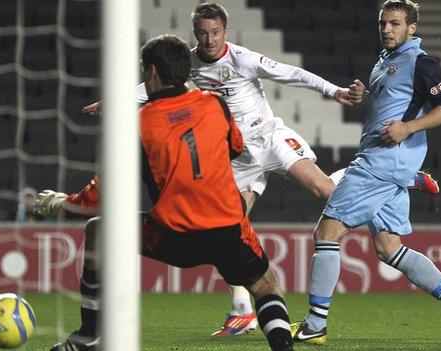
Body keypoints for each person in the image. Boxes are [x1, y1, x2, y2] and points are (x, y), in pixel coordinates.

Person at [81, 2, 440, 336]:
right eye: (203, 32)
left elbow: (289, 74)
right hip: (236, 157)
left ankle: (402, 178)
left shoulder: (243, 59)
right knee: (229, 228)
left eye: (215, 32)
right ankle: (242, 311)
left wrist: (333, 91)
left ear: (225, 31)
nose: (209, 39)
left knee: (327, 193)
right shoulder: (187, 65)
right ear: (195, 32)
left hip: (270, 139)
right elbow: (151, 87)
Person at [39, 34, 294, 351]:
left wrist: (60, 204)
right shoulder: (216, 105)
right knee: (265, 284)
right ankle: (283, 346)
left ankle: (90, 335)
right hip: (228, 230)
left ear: (152, 74)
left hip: (173, 236)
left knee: (98, 231)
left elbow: (97, 198)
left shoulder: (137, 123)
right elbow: (236, 147)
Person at [289, 0, 441, 347]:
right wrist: (364, 95)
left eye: (395, 24)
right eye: (383, 24)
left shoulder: (421, 63)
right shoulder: (386, 62)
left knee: (327, 231)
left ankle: (316, 324)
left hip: (380, 163)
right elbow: (392, 105)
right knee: (389, 248)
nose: (387, 30)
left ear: (411, 28)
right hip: (386, 163)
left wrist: (409, 128)